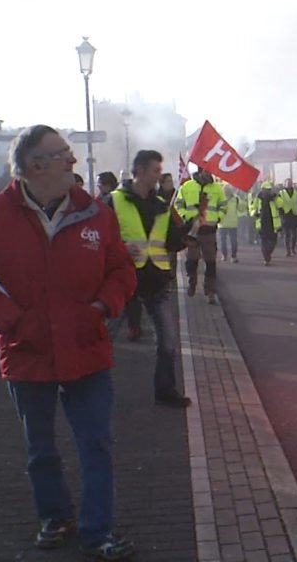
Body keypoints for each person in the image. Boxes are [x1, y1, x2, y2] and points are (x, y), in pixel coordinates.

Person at [0, 125, 137, 559]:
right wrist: (14, 322)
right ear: (35, 165)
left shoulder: (96, 213)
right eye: (64, 155)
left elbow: (121, 273)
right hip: (26, 353)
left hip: (86, 349)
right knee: (40, 449)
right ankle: (55, 516)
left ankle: (99, 531)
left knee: (96, 443)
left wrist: (100, 308)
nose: (74, 162)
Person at [108, 149, 192, 408]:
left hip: (156, 279)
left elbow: (170, 242)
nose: (160, 176)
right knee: (101, 339)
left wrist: (188, 231)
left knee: (168, 340)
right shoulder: (112, 201)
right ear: (141, 171)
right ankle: (89, 391)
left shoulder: (162, 205)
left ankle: (165, 391)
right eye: (156, 170)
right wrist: (122, 250)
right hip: (121, 280)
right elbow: (98, 242)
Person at [176, 169, 226, 303]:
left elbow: (223, 206)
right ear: (200, 170)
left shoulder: (217, 188)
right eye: (207, 169)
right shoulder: (187, 186)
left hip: (209, 230)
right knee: (191, 261)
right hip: (193, 230)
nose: (210, 172)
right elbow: (178, 204)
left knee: (210, 263)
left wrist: (218, 218)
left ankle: (210, 291)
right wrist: (186, 216)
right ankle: (192, 282)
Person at [251, 180, 282, 266]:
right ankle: (266, 257)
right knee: (264, 241)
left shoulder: (274, 197)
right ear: (262, 190)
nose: (267, 191)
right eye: (266, 189)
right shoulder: (258, 197)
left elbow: (280, 205)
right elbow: (252, 207)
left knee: (273, 241)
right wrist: (255, 213)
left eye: (269, 190)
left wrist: (275, 198)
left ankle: (268, 253)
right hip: (262, 223)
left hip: (273, 224)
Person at [277, 178, 297, 256]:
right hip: (285, 215)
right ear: (285, 184)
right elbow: (279, 204)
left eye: (290, 183)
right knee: (286, 234)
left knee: (294, 233)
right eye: (287, 183)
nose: (289, 184)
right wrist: (281, 214)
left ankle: (293, 248)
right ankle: (287, 250)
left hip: (294, 215)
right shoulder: (281, 193)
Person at [219, 184, 244, 263]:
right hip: (230, 223)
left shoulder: (221, 199)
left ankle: (224, 255)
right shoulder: (236, 198)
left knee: (224, 241)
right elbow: (241, 209)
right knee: (231, 241)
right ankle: (233, 256)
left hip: (223, 223)